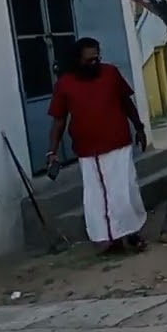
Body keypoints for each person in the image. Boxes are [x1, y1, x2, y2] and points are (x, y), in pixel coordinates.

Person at [48, 37, 150, 254]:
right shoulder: (65, 84)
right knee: (98, 198)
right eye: (88, 61)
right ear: (77, 60)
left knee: (125, 192)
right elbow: (58, 120)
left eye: (97, 59)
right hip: (89, 150)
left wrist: (139, 128)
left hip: (118, 144)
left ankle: (132, 234)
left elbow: (126, 102)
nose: (94, 64)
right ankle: (108, 240)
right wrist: (52, 151)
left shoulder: (111, 73)